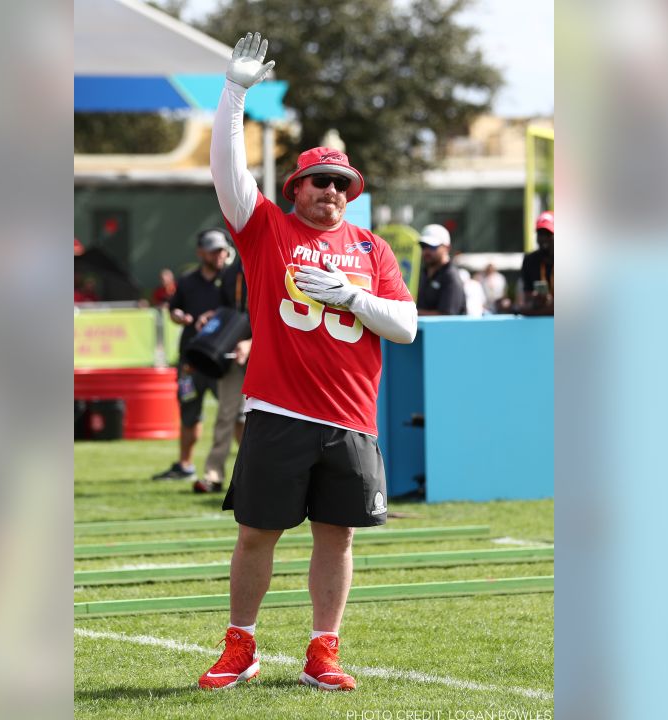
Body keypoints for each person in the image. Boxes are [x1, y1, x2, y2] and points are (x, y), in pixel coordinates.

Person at [197, 32, 418, 693]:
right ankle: (242, 644)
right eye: (320, 180)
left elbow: (405, 326)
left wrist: (352, 295)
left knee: (337, 537)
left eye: (342, 183)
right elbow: (228, 173)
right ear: (296, 187)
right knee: (257, 534)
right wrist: (233, 94)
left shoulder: (372, 247)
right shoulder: (266, 228)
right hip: (279, 408)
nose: (331, 190)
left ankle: (324, 649)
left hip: (352, 417)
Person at [151, 229, 231, 482]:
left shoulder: (232, 279)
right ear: (201, 253)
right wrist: (178, 316)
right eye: (213, 250)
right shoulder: (187, 281)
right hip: (191, 361)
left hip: (223, 359)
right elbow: (174, 309)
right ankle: (185, 466)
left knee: (238, 416)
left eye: (221, 250)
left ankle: (247, 468)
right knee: (189, 412)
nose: (218, 255)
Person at [192, 256, 251, 494]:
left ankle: (255, 476)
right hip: (232, 352)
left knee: (258, 419)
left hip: (270, 354)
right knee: (227, 415)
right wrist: (212, 318)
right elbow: (227, 308)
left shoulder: (277, 261)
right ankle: (213, 475)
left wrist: (253, 343)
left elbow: (282, 313)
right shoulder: (230, 272)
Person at [415, 224, 466, 316]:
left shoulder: (450, 276)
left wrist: (410, 313)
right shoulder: (422, 273)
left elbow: (447, 316)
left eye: (432, 246)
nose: (426, 251)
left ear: (447, 248)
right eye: (423, 246)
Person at [518, 211, 554, 315]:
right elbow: (525, 299)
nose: (543, 238)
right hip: (538, 316)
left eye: (548, 234)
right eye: (540, 234)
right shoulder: (529, 260)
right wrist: (535, 298)